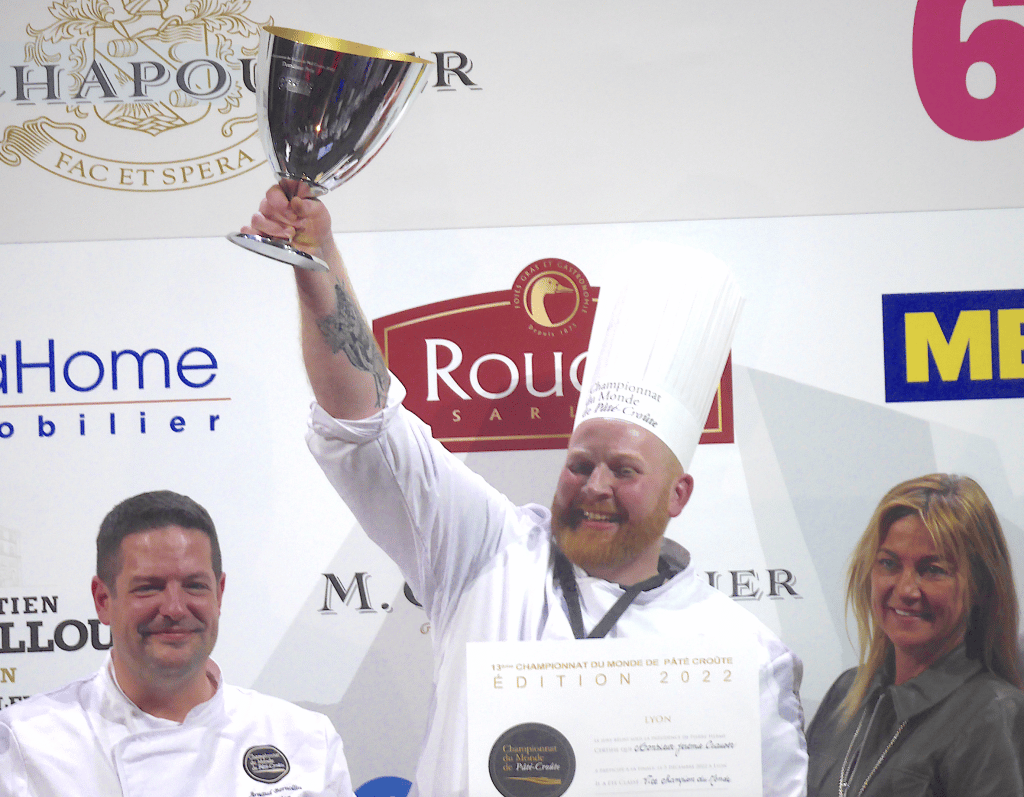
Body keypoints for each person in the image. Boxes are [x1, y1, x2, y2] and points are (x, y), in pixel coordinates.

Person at [242, 185, 807, 797]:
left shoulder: (742, 656)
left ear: (679, 495)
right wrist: (316, 265)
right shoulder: (487, 553)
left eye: (624, 470)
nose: (595, 486)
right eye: (581, 462)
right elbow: (367, 421)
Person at [0, 490, 356, 797]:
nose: (173, 608)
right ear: (103, 600)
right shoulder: (25, 742)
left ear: (220, 594)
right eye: (148, 587)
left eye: (195, 585)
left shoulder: (304, 738)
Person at [806, 474, 1024, 796]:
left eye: (933, 569)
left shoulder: (991, 715)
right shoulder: (847, 692)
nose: (906, 589)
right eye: (889, 563)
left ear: (980, 585)